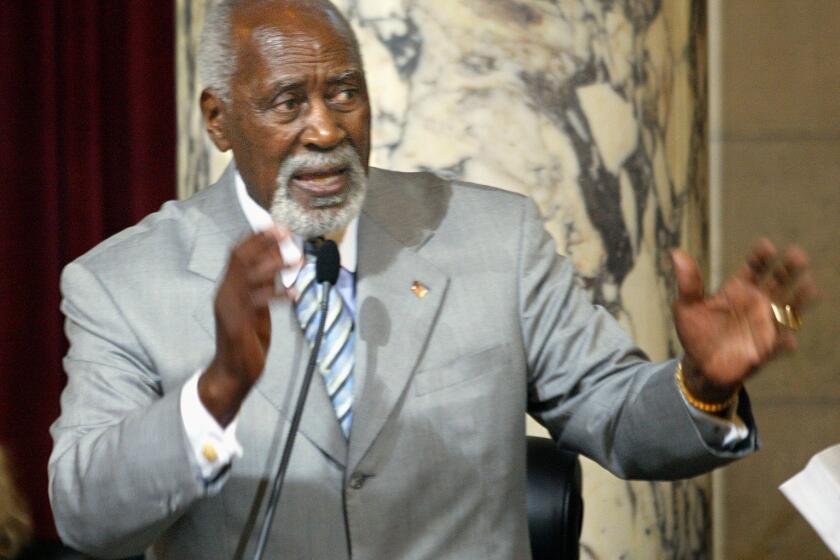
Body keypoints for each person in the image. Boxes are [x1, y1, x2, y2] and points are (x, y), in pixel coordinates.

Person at [48, 1, 818, 558]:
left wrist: (700, 386)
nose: (325, 128)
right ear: (218, 120)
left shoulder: (490, 238)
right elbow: (86, 513)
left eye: (344, 93)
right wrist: (215, 391)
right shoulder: (121, 283)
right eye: (288, 101)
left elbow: (612, 414)